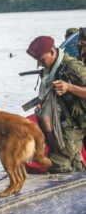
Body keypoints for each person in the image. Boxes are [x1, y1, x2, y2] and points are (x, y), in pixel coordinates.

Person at [26, 35, 86, 173]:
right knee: (69, 160)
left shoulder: (73, 67)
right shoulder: (50, 69)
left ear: (52, 52)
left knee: (59, 165)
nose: (40, 64)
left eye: (41, 60)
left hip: (75, 123)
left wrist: (69, 87)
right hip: (59, 123)